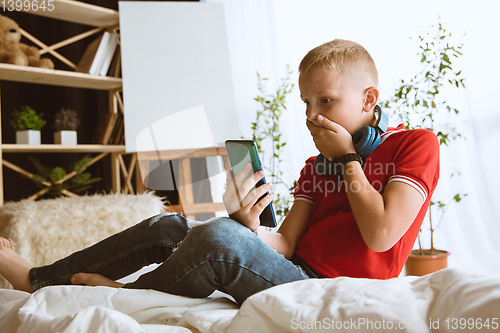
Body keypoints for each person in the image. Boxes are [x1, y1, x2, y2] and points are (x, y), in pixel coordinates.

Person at [0, 39, 439, 305]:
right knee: (173, 225)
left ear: (368, 100)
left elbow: (382, 236)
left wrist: (347, 160)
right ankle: (36, 279)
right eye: (305, 102)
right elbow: (285, 243)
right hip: (293, 269)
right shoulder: (315, 165)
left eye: (324, 101)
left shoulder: (414, 144)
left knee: (217, 240)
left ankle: (127, 295)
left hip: (332, 289)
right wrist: (247, 224)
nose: (311, 114)